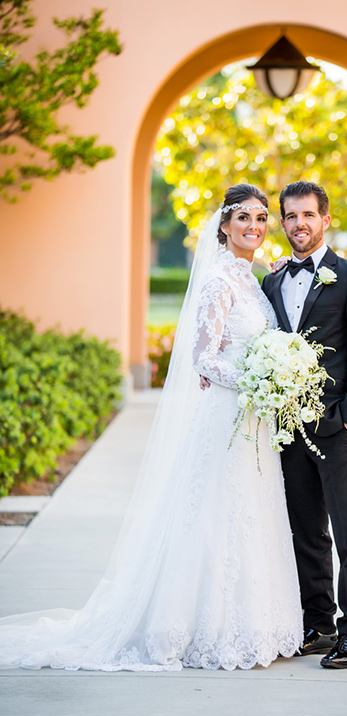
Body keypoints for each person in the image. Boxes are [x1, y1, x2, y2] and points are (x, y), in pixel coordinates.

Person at [0, 184, 303, 672]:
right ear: (224, 226)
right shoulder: (217, 282)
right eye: (243, 217)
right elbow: (202, 356)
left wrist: (271, 375)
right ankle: (194, 626)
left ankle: (252, 624)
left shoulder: (254, 281)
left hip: (253, 420)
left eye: (262, 218)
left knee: (250, 511)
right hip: (225, 414)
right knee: (212, 512)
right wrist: (258, 377)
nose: (255, 226)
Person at [262, 181, 347, 669]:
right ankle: (318, 625)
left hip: (336, 428)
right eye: (290, 216)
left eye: (308, 215)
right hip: (288, 430)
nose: (299, 224)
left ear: (325, 219)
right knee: (305, 531)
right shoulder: (270, 282)